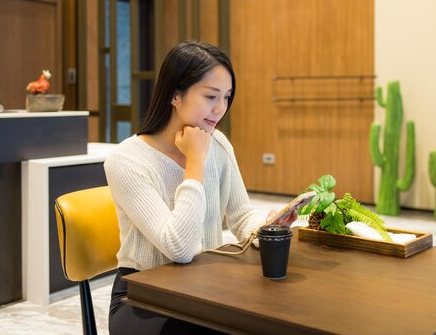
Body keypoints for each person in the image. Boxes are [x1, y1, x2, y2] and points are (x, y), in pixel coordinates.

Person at [104, 41, 296, 335]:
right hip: (143, 297)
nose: (220, 109)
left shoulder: (217, 143)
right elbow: (178, 248)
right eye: (210, 96)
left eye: (227, 97)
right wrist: (195, 162)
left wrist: (268, 227)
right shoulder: (126, 160)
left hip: (203, 288)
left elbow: (241, 216)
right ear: (174, 94)